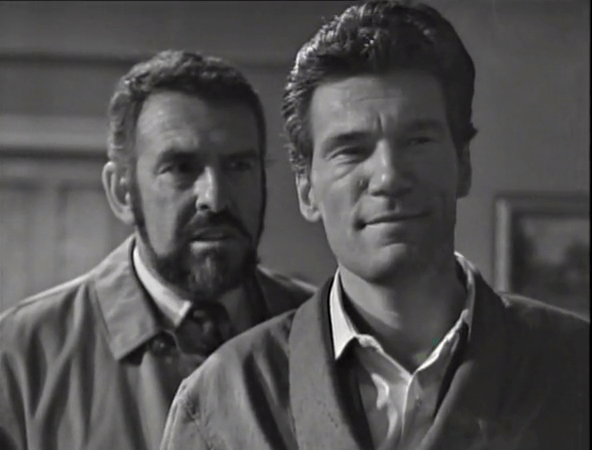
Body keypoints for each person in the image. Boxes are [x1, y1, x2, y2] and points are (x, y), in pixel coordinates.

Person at [159, 3, 590, 450]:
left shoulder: (575, 368)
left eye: (417, 141)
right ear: (307, 190)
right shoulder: (223, 402)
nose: (389, 176)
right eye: (351, 150)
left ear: (462, 164)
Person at [0, 50, 315, 450]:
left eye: (238, 166)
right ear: (123, 192)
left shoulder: (322, 334)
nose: (215, 198)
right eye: (181, 168)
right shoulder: (21, 356)